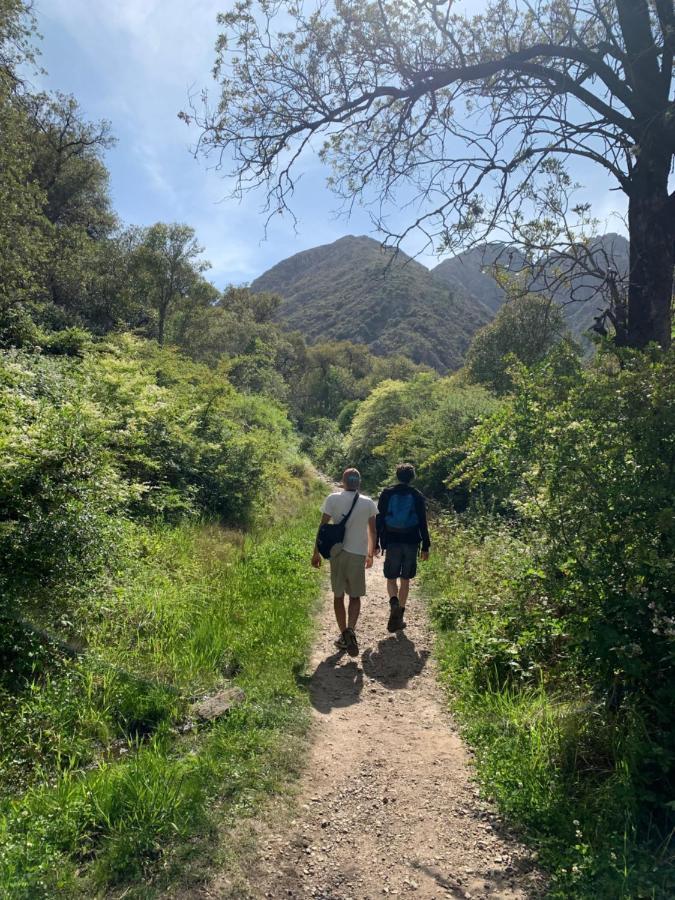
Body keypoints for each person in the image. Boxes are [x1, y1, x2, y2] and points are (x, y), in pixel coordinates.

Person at [311, 468, 378, 657]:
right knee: (355, 596)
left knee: (338, 595)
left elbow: (323, 528)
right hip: (357, 555)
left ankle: (344, 634)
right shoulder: (368, 503)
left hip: (337, 554)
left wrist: (316, 552)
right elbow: (372, 531)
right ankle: (350, 630)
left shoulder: (333, 499)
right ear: (359, 482)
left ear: (343, 481)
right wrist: (370, 554)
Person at [376, 463, 430, 633]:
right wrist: (426, 546)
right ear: (412, 477)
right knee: (405, 579)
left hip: (392, 541)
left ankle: (393, 602)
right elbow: (423, 521)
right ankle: (399, 615)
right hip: (412, 541)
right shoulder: (416, 495)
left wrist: (376, 542)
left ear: (397, 475)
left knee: (391, 577)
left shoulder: (387, 493)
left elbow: (379, 519)